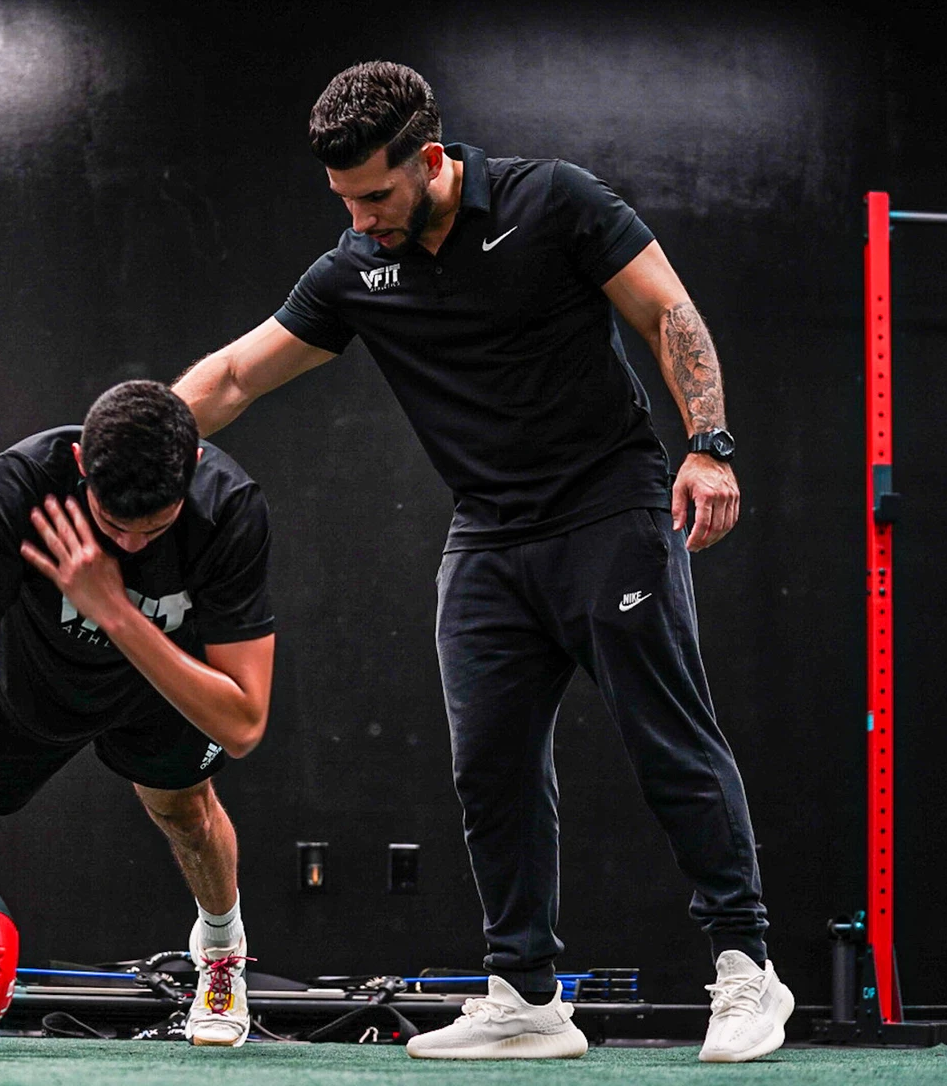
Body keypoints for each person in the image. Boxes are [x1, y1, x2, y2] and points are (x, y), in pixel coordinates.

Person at [170, 61, 791, 1062]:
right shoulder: (354, 269)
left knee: (666, 739)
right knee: (487, 768)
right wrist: (117, 447)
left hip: (607, 507)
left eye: (374, 195)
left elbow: (665, 312)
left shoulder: (554, 200)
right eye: (342, 201)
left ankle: (744, 970)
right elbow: (237, 373)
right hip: (488, 538)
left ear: (429, 159)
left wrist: (709, 446)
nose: (360, 217)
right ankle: (527, 998)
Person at [0, 379, 275, 1048]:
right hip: (37, 682)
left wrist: (111, 606)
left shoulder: (230, 508)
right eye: (114, 526)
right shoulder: (25, 480)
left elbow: (243, 722)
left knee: (185, 813)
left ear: (194, 466)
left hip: (166, 686)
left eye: (156, 528)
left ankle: (222, 958)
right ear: (82, 465)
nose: (134, 546)